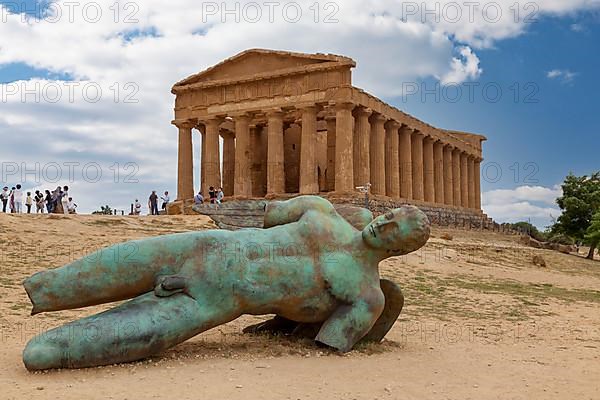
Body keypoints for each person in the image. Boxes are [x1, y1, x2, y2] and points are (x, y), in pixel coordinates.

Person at [22, 196, 430, 370]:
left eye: (397, 230)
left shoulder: (365, 296)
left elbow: (331, 340)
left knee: (42, 355)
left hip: (212, 301)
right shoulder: (320, 212)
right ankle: (39, 292)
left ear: (400, 250)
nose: (385, 222)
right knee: (58, 283)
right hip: (201, 246)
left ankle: (49, 348)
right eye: (391, 214)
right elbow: (267, 215)